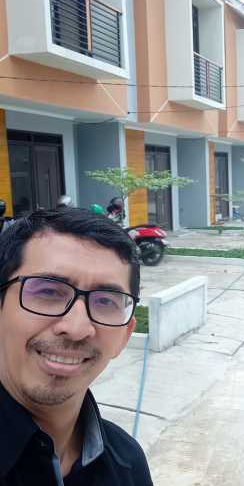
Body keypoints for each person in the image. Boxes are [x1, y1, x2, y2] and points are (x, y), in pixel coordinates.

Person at [0, 208, 153, 485]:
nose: (77, 327)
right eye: (48, 291)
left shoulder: (128, 463)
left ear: (124, 335)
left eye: (105, 300)